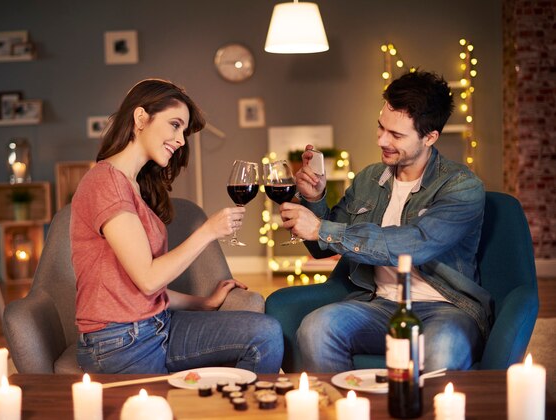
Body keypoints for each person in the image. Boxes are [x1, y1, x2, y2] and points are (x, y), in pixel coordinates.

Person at [279, 70, 492, 372]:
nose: (382, 140)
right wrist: (315, 200)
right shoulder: (368, 179)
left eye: (396, 135)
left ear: (430, 137)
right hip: (378, 304)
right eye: (381, 128)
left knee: (443, 348)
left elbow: (413, 244)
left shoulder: (462, 186)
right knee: (316, 328)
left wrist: (320, 229)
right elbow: (322, 248)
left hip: (446, 308)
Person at [70, 79, 283, 374]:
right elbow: (147, 279)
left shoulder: (131, 185)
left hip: (157, 325)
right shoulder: (106, 183)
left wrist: (204, 302)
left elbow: (140, 292)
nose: (181, 139)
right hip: (119, 342)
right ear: (141, 118)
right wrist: (208, 231)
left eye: (183, 130)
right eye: (174, 124)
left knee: (266, 334)